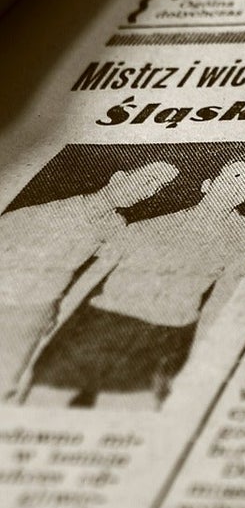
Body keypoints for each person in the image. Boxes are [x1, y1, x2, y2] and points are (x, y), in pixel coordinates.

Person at [23, 158, 245, 409]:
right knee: (42, 402)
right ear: (208, 184)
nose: (240, 187)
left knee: (126, 415)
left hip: (161, 338)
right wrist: (51, 332)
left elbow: (223, 298)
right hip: (98, 325)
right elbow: (91, 279)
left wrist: (199, 359)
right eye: (236, 177)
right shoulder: (145, 227)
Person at [0, 161, 178, 399]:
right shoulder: (55, 208)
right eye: (147, 179)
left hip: (36, 310)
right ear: (118, 177)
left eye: (156, 187)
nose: (147, 190)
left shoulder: (115, 227)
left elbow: (89, 278)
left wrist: (55, 313)